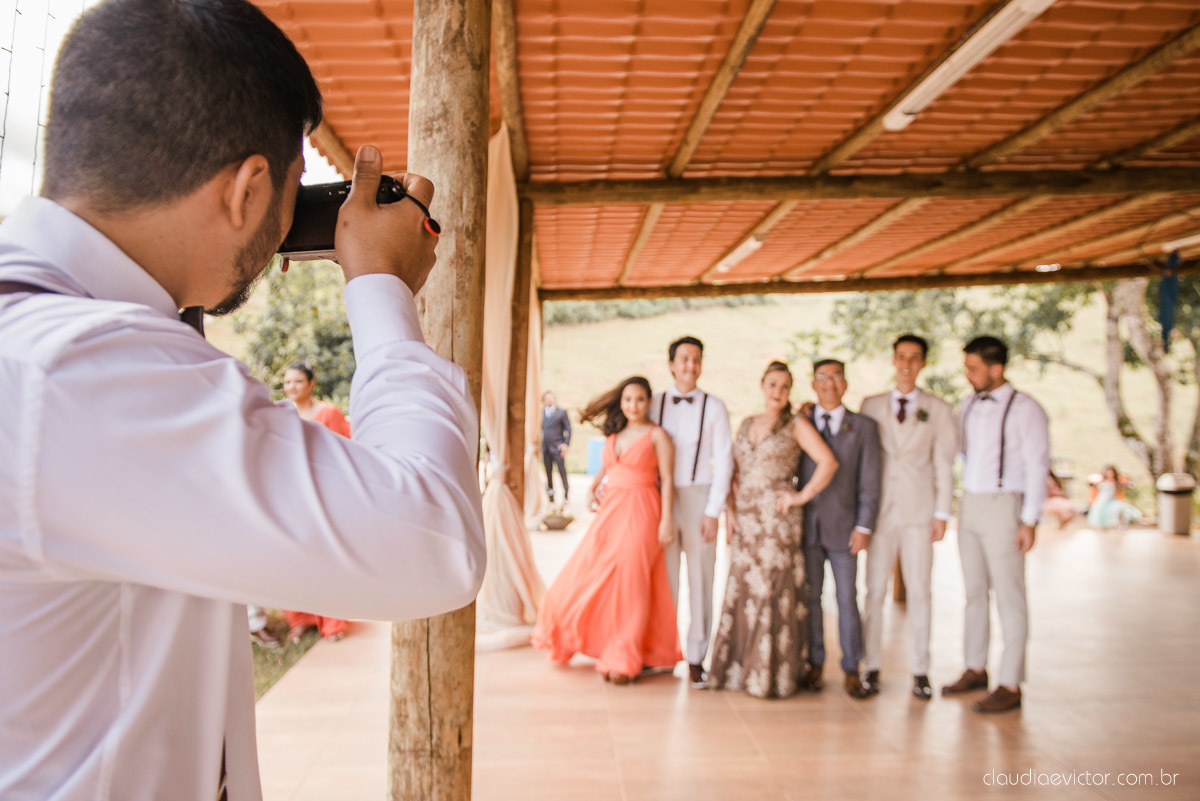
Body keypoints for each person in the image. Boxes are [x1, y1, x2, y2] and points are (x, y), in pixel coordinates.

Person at [0, 2, 486, 799]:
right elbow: (431, 540)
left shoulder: (56, 339)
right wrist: (381, 291)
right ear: (249, 189)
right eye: (296, 188)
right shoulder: (80, 371)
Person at [531, 376, 681, 684]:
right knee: (590, 573)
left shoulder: (657, 436)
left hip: (642, 512)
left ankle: (624, 657)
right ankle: (580, 636)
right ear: (621, 403)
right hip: (611, 513)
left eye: (639, 399)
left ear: (648, 402)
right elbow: (611, 466)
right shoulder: (616, 433)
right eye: (627, 400)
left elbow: (666, 479)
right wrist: (595, 486)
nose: (633, 405)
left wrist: (667, 520)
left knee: (633, 583)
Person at [707, 362, 837, 699]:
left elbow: (828, 461)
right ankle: (738, 669)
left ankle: (768, 674)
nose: (777, 392)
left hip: (777, 523)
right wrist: (730, 512)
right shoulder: (747, 423)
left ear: (789, 391)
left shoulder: (796, 425)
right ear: (762, 386)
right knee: (742, 589)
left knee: (770, 592)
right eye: (772, 384)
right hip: (746, 521)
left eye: (784, 386)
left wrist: (801, 496)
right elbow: (731, 472)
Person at [942, 336, 1048, 714]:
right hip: (969, 504)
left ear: (996, 369)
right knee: (973, 591)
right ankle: (975, 666)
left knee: (1009, 595)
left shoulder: (1027, 409)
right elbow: (951, 447)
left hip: (1006, 506)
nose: (967, 375)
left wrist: (1029, 519)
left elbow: (1038, 465)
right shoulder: (968, 404)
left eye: (973, 368)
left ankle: (1010, 682)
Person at [859, 335, 957, 700]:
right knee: (874, 591)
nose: (906, 364)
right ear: (893, 360)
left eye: (914, 358)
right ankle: (871, 666)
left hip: (918, 511)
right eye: (901, 357)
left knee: (919, 590)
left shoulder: (939, 409)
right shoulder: (870, 405)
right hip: (880, 512)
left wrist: (942, 512)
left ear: (923, 364)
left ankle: (920, 670)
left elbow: (944, 464)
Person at [648, 336, 734, 688]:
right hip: (662, 501)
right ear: (671, 364)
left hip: (700, 498)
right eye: (683, 359)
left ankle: (698, 657)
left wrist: (714, 511)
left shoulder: (714, 407)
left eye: (696, 359)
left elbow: (725, 460)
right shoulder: (653, 404)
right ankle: (664, 652)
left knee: (702, 578)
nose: (690, 365)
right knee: (664, 580)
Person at [799, 358, 882, 699]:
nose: (829, 383)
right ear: (814, 383)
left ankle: (852, 668)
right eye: (823, 377)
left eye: (836, 377)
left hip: (846, 527)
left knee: (847, 599)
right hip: (807, 527)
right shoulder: (801, 421)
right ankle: (814, 663)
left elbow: (870, 481)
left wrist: (864, 525)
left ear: (845, 384)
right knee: (811, 598)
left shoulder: (863, 426)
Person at [280, 362, 350, 642]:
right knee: (292, 559)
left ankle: (332, 623)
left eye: (297, 381)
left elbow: (345, 449)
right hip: (288, 495)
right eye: (287, 382)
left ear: (311, 384)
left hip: (324, 493)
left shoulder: (328, 413)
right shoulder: (279, 413)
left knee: (327, 557)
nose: (291, 387)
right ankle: (300, 619)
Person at [1087, 465, 1142, 529]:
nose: (1109, 474)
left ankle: (1119, 524)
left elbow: (1126, 483)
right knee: (1102, 515)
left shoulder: (1117, 482)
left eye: (1111, 472)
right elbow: (1093, 485)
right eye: (1108, 472)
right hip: (1102, 501)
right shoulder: (1101, 481)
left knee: (1119, 510)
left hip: (1112, 501)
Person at [541, 390, 572, 503]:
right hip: (545, 448)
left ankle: (566, 494)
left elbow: (568, 429)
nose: (549, 400)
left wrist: (566, 443)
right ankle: (551, 495)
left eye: (551, 398)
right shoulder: (542, 413)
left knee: (562, 471)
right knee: (548, 472)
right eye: (547, 398)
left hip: (558, 447)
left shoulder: (561, 412)